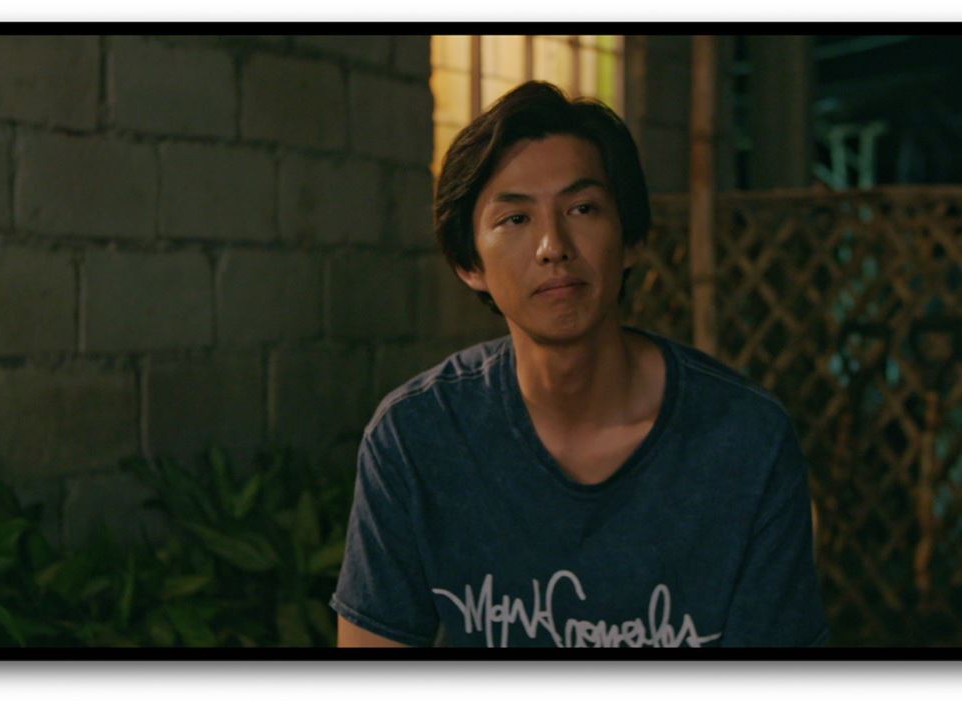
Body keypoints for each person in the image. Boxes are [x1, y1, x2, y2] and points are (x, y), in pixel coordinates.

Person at [331, 81, 828, 648]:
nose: (553, 245)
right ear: (470, 264)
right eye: (515, 219)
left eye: (582, 208)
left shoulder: (746, 441)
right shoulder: (417, 436)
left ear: (631, 239)